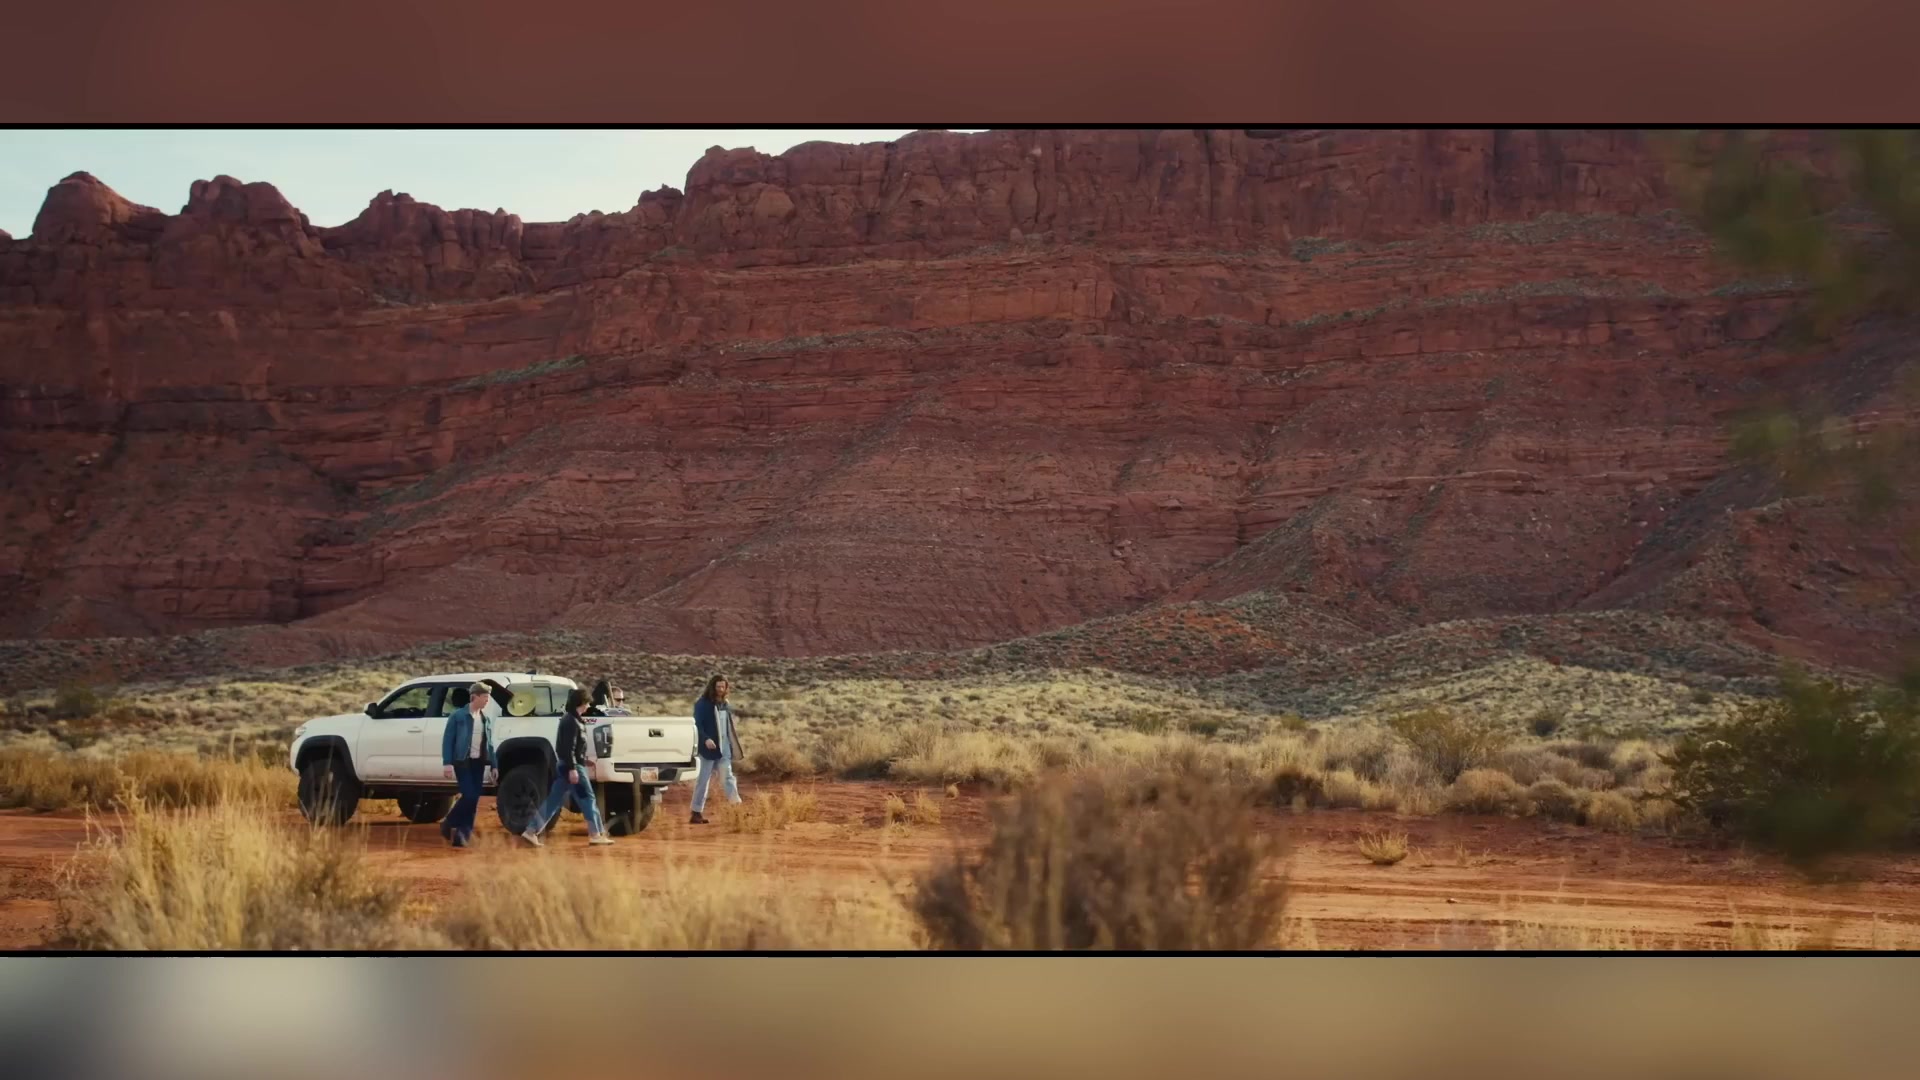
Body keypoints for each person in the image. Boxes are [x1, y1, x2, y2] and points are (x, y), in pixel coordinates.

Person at [520, 687, 612, 847]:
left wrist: (582, 761)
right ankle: (595, 834)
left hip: (567, 765)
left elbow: (570, 748)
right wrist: (573, 768)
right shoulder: (572, 721)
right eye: (587, 703)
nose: (588, 706)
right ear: (581, 702)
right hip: (572, 767)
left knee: (554, 800)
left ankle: (531, 831)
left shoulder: (570, 719)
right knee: (587, 798)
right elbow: (568, 748)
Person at [438, 683, 497, 848]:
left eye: (488, 698)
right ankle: (449, 821)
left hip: (478, 763)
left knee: (473, 799)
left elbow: (490, 744)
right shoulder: (458, 716)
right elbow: (448, 740)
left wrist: (494, 765)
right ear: (474, 697)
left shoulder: (485, 719)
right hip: (462, 761)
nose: (487, 700)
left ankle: (462, 836)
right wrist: (447, 763)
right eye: (484, 697)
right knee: (469, 796)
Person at [689, 674, 744, 825]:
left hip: (724, 748)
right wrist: (706, 739)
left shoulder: (725, 704)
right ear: (712, 687)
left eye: (723, 687)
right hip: (708, 749)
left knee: (728, 777)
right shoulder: (702, 704)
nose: (720, 689)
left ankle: (737, 808)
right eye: (718, 686)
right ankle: (696, 812)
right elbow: (697, 724)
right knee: (703, 780)